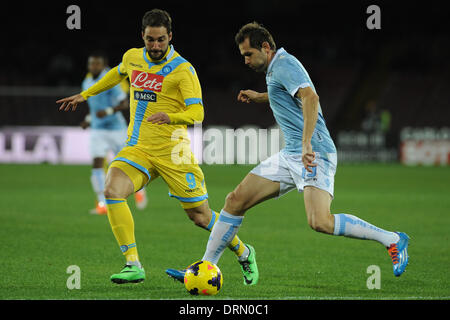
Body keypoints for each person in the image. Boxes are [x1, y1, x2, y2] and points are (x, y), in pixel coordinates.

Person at [195, 22, 409, 284]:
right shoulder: (275, 70)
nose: (246, 61)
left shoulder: (285, 63)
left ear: (265, 47)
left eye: (248, 54)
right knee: (235, 200)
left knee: (320, 221)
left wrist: (307, 144)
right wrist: (261, 96)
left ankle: (392, 239)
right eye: (243, 56)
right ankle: (205, 268)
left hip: (314, 152)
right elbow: (288, 95)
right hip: (291, 155)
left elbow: (311, 98)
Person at [56, 9, 254, 284]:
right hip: (138, 148)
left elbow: (198, 114)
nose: (156, 45)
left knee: (200, 216)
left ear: (170, 37)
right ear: (143, 36)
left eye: (161, 40)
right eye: (150, 40)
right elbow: (117, 73)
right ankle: (133, 264)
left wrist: (170, 116)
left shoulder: (183, 70)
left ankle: (244, 252)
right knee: (112, 189)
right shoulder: (132, 57)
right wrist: (85, 94)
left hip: (174, 152)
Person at [80, 52, 147, 215]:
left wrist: (109, 111)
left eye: (97, 64)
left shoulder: (111, 80)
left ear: (103, 65)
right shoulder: (87, 81)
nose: (93, 67)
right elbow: (94, 107)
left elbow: (125, 103)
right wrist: (88, 119)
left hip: (117, 129)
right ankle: (102, 203)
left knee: (127, 165)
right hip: (98, 130)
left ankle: (139, 191)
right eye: (91, 64)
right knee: (97, 163)